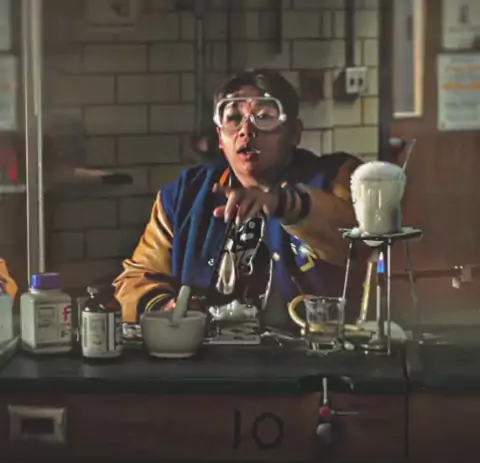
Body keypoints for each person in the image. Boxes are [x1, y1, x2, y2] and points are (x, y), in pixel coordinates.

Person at [113, 68, 365, 331]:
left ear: (294, 133)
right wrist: (166, 307)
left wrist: (284, 204)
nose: (246, 130)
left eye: (264, 117)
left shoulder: (336, 178)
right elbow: (135, 279)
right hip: (207, 351)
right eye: (233, 118)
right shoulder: (185, 195)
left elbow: (361, 243)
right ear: (220, 138)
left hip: (309, 348)